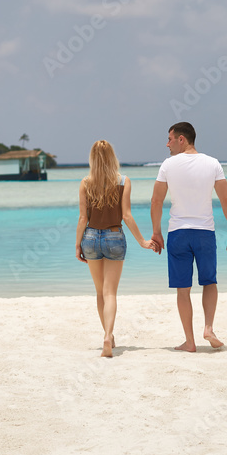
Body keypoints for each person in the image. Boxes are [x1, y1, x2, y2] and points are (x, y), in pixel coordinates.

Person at [150, 122, 227, 352]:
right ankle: (208, 328)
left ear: (182, 139)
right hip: (205, 233)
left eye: (170, 139)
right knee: (209, 282)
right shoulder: (213, 164)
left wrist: (156, 232)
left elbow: (156, 201)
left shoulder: (168, 165)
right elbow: (226, 199)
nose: (167, 143)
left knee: (183, 289)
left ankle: (190, 342)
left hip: (178, 233)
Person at [76, 140, 156, 357]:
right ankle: (107, 336)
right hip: (114, 237)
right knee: (110, 292)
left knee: (100, 292)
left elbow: (83, 218)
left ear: (92, 158)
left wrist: (77, 245)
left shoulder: (85, 183)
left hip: (90, 237)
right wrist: (142, 241)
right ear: (113, 157)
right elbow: (126, 216)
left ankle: (107, 336)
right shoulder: (123, 181)